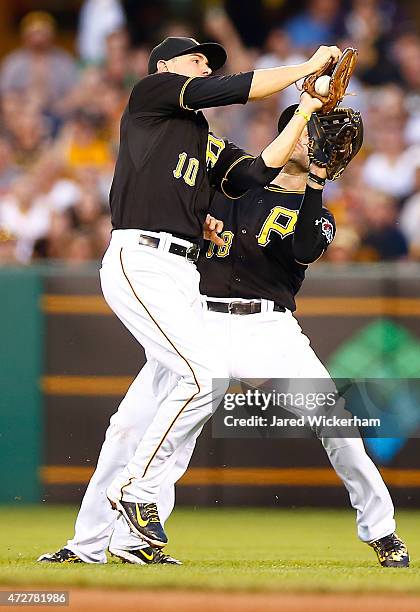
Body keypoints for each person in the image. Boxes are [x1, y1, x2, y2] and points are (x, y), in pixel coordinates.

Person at [38, 34, 337, 562]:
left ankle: (99, 545)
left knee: (140, 416)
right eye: (195, 58)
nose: (203, 64)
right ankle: (135, 491)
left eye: (207, 60)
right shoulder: (151, 95)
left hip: (181, 273)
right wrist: (307, 66)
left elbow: (255, 173)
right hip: (143, 257)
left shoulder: (201, 137)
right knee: (202, 376)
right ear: (166, 66)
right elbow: (237, 88)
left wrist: (306, 107)